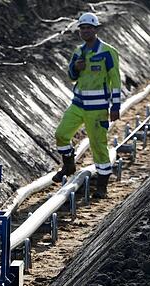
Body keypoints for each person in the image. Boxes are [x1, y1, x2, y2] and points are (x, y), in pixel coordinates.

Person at [52, 12, 121, 199]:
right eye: (82, 28)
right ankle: (68, 165)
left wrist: (116, 106)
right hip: (78, 104)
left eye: (89, 27)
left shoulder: (107, 52)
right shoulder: (79, 52)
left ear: (96, 29)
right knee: (61, 135)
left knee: (98, 145)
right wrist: (76, 68)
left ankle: (102, 187)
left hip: (97, 108)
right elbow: (71, 76)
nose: (85, 31)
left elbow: (115, 80)